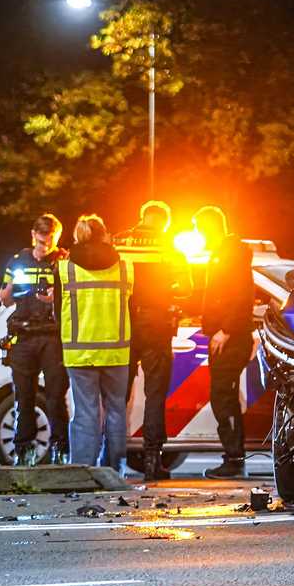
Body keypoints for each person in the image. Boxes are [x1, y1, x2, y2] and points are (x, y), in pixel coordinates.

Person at [113, 200, 191, 481]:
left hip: (123, 324)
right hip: (157, 325)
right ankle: (152, 460)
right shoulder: (170, 246)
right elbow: (187, 287)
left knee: (117, 393)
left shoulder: (120, 241)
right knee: (155, 394)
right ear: (164, 222)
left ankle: (111, 459)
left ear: (142, 217)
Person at [60, 214, 134, 471]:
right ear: (104, 234)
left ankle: (83, 469)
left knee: (86, 413)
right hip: (116, 352)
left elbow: (57, 309)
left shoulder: (65, 268)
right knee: (116, 410)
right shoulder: (124, 266)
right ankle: (115, 469)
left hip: (80, 354)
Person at [0, 213, 71, 466]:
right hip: (24, 334)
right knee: (24, 396)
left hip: (51, 335)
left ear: (56, 238)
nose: (43, 248)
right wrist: (5, 294)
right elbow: (6, 297)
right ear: (33, 235)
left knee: (55, 396)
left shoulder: (63, 262)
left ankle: (60, 448)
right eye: (40, 242)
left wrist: (55, 300)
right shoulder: (18, 261)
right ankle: (23, 449)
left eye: (49, 242)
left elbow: (74, 299)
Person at [193, 205, 254, 479]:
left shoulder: (232, 255)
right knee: (222, 397)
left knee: (223, 398)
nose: (200, 236)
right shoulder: (222, 255)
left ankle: (234, 458)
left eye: (200, 230)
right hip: (225, 338)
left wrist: (225, 330)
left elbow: (241, 296)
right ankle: (232, 456)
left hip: (231, 339)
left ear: (211, 228)